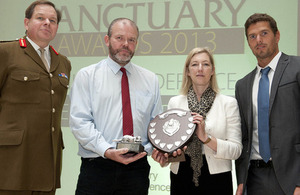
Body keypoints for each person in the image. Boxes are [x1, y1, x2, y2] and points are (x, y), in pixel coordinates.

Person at [69, 17, 162, 195]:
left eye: (131, 40)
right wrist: (108, 150)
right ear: (107, 40)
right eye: (119, 38)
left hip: (137, 170)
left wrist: (150, 149)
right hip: (97, 166)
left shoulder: (150, 79)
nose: (125, 44)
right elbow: (79, 122)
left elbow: (155, 123)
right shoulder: (87, 76)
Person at [0, 1, 71, 195]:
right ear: (26, 22)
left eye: (53, 20)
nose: (47, 23)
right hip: (11, 164)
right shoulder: (6, 52)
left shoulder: (63, 63)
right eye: (40, 18)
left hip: (48, 165)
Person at [152, 47, 242, 195]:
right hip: (181, 176)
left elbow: (236, 150)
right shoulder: (175, 103)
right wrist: (165, 157)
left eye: (205, 64)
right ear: (187, 71)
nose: (200, 68)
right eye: (194, 64)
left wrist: (206, 139)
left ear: (212, 70)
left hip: (217, 179)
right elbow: (172, 146)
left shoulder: (228, 103)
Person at [235, 13, 300, 195]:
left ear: (277, 35)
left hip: (292, 177)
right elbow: (244, 137)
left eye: (264, 33)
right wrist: (241, 180)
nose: (259, 40)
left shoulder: (297, 68)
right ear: (248, 42)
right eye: (252, 36)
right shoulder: (242, 85)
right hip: (254, 178)